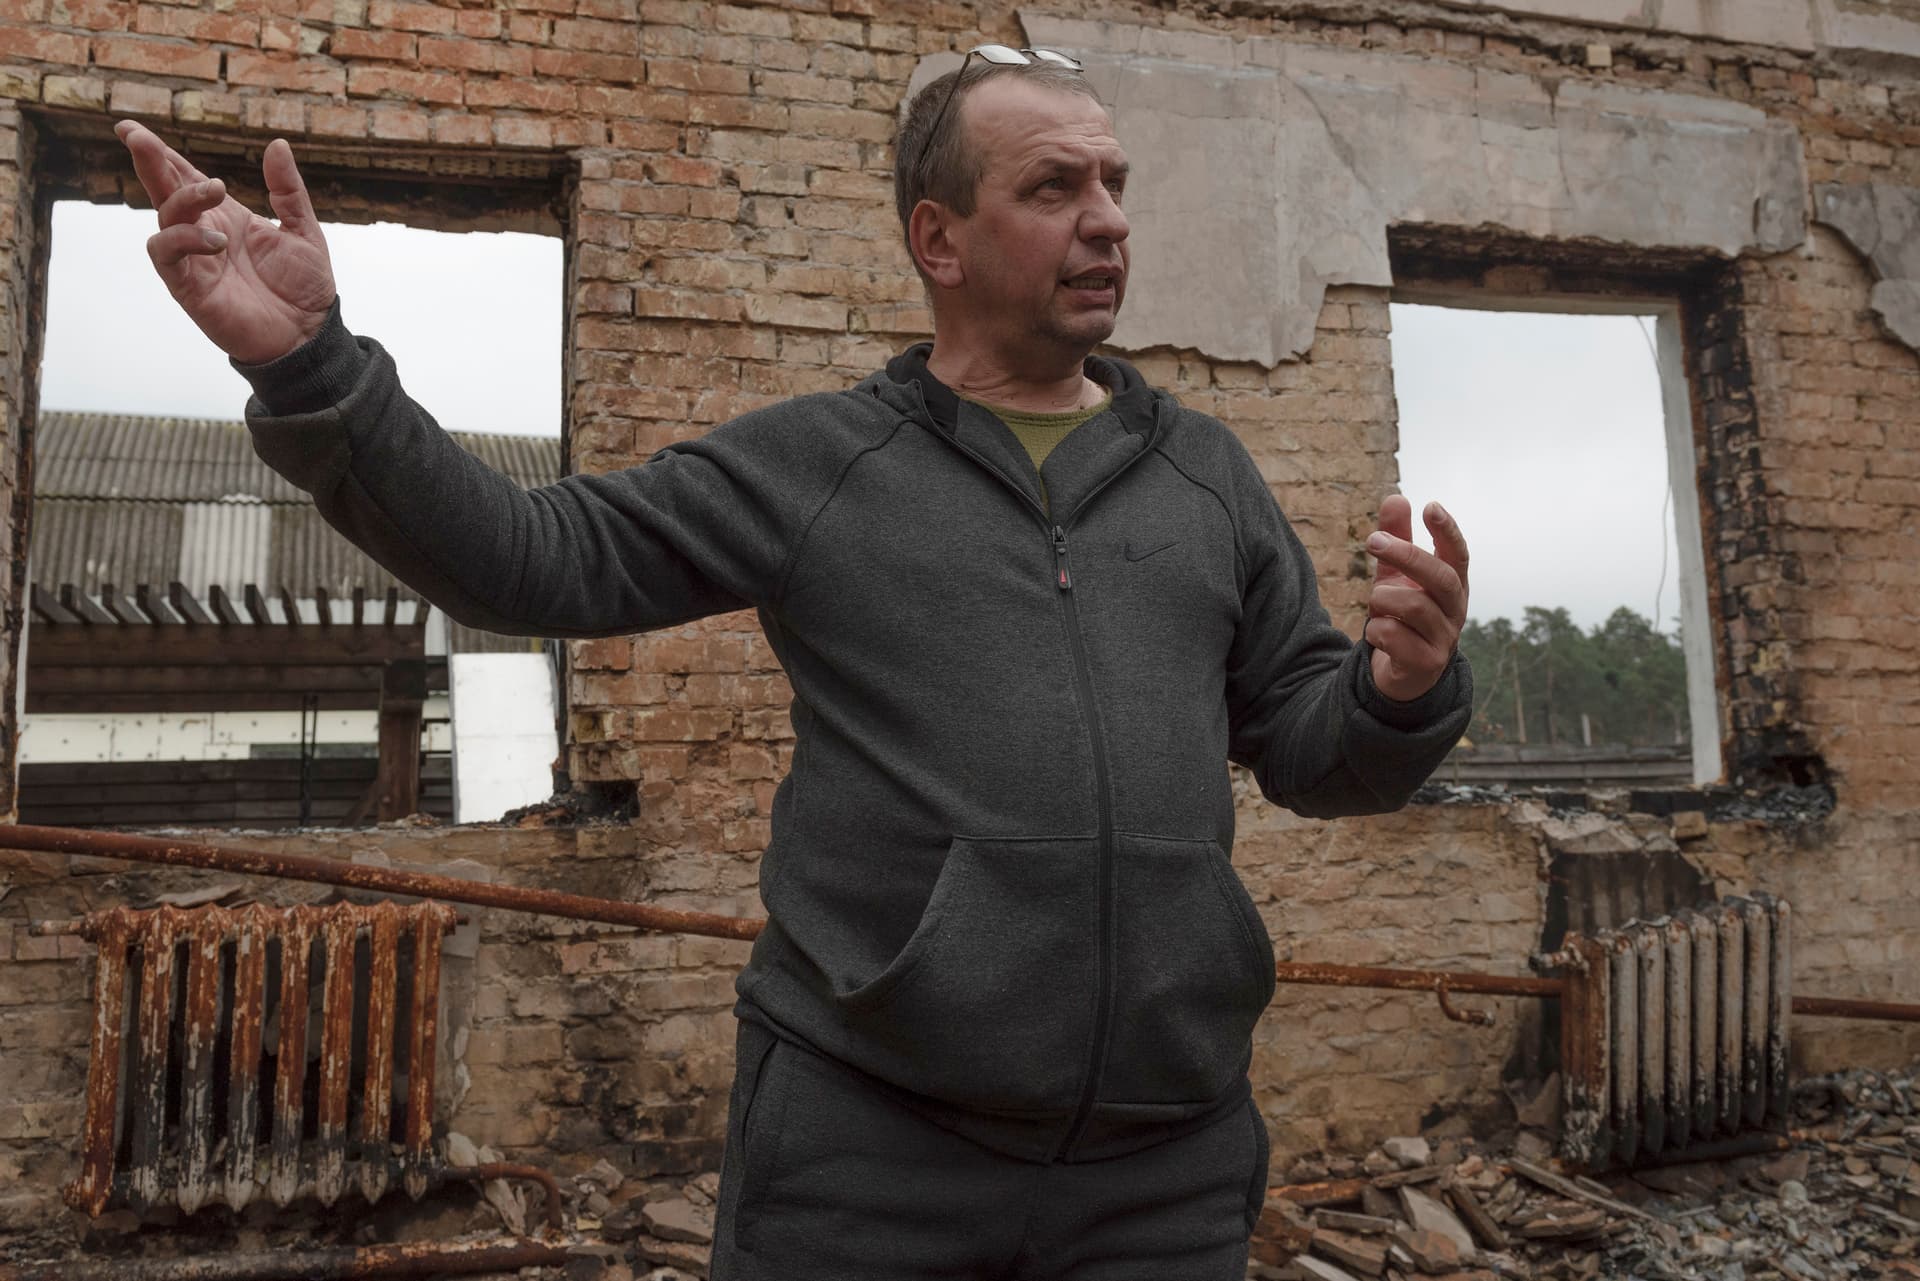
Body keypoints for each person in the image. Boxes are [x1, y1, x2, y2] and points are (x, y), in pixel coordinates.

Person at [116, 44, 1472, 1281]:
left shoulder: (1206, 480)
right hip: (867, 1161)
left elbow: (1308, 745)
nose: (1107, 217)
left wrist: (1395, 693)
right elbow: (533, 557)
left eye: (1113, 182)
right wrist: (316, 368)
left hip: (1164, 1173)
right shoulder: (820, 467)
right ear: (937, 238)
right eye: (1054, 187)